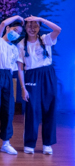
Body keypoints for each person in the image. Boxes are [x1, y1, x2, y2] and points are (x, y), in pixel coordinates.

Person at [17, 16, 61, 155]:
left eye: (35, 25)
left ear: (39, 27)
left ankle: (47, 144)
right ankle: (30, 143)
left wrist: (40, 18)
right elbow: (20, 68)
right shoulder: (21, 44)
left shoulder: (45, 39)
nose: (32, 28)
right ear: (25, 27)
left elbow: (58, 29)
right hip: (31, 75)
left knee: (49, 108)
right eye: (29, 25)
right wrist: (23, 88)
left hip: (48, 74)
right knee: (32, 109)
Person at [0, 15, 23, 155]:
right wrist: (17, 16)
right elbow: (2, 24)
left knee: (8, 109)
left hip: (8, 76)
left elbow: (14, 68)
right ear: (8, 28)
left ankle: (6, 142)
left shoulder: (14, 48)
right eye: (14, 30)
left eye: (19, 32)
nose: (16, 34)